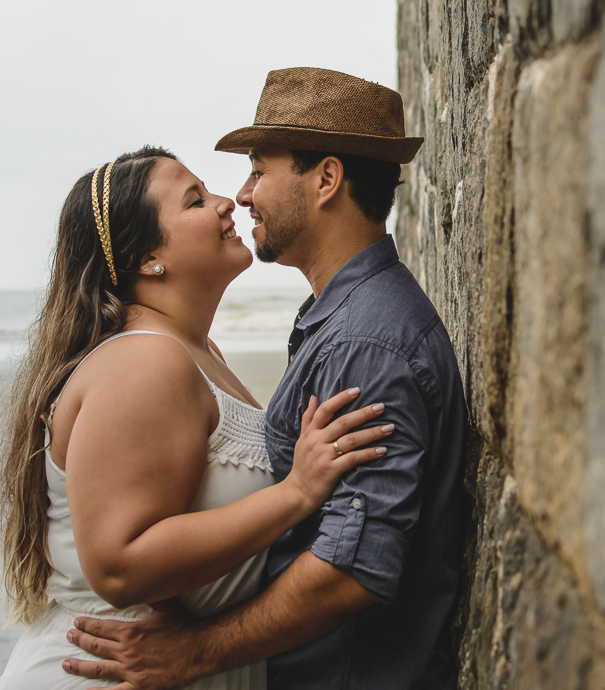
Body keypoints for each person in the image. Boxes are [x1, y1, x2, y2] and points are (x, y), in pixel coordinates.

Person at [63, 68, 468, 689]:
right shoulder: (336, 322)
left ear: (326, 180)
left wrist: (195, 652)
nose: (242, 195)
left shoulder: (366, 344)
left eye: (258, 170)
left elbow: (352, 568)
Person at [0, 146, 394, 690]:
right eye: (195, 200)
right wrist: (295, 492)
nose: (228, 202)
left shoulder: (196, 353)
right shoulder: (145, 361)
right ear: (145, 257)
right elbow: (119, 565)